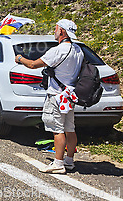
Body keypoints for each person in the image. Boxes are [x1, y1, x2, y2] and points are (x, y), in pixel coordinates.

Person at [15, 19, 84, 174]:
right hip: (70, 95)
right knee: (70, 129)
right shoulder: (78, 49)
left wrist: (20, 59)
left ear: (62, 31)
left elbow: (33, 64)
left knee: (57, 130)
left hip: (56, 95)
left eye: (56, 28)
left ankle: (58, 163)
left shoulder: (58, 50)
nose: (55, 31)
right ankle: (69, 160)